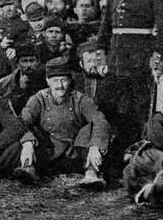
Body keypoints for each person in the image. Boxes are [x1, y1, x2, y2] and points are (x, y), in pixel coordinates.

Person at [97, 0, 163, 152]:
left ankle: (140, 152)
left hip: (142, 58)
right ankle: (119, 147)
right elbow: (106, 26)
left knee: (140, 107)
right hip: (116, 59)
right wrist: (100, 53)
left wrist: (159, 58)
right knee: (110, 103)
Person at [16, 57, 109, 188]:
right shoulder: (38, 99)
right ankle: (29, 168)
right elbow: (22, 121)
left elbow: (100, 121)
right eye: (55, 81)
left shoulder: (81, 99)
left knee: (90, 127)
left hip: (74, 155)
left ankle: (91, 173)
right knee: (31, 129)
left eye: (63, 80)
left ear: (70, 80)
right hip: (48, 153)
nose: (59, 85)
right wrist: (27, 142)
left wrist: (95, 146)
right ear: (47, 81)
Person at [0, 42, 47, 116]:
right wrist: (20, 90)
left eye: (32, 61)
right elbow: (5, 110)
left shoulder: (45, 80)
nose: (29, 65)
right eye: (24, 61)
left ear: (37, 62)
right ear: (17, 63)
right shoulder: (4, 83)